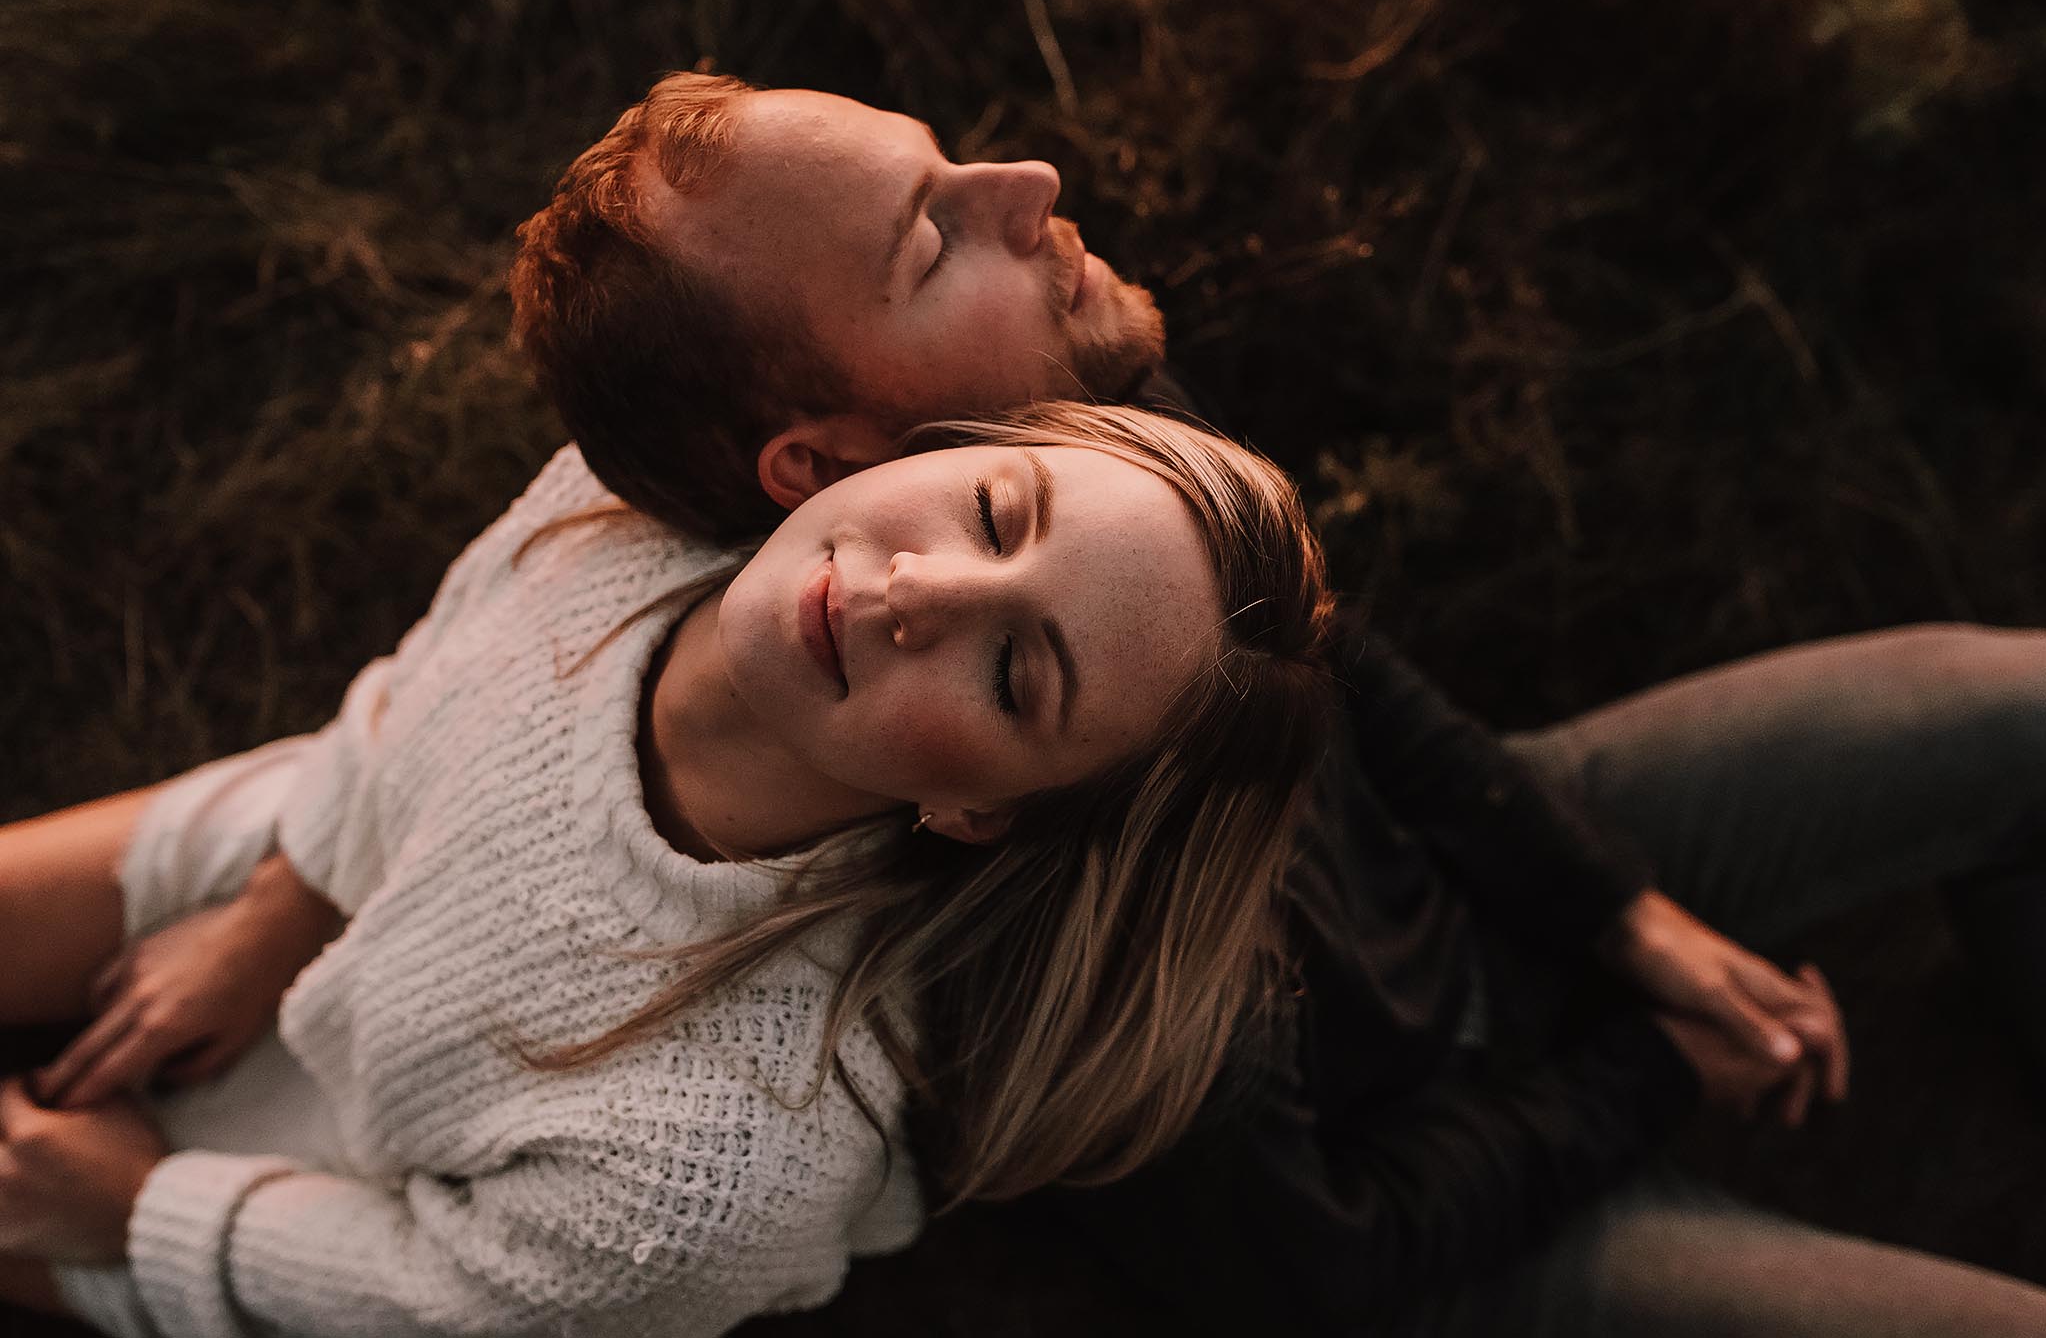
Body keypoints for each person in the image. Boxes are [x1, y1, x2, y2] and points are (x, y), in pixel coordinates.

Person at [13, 69, 2046, 1335]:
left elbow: (1367, 688)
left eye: (1021, 645)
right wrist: (1647, 1066)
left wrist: (1618, 918)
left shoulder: (1114, 523)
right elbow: (1338, 1272)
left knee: (2042, 713)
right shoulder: (1099, 920)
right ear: (825, 458)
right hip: (1409, 1174)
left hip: (1466, 940)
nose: (920, 594)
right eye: (938, 244)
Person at [0, 399, 1338, 1337]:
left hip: (318, 1195)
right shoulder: (632, 502)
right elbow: (431, 672)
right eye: (995, 512)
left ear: (976, 809)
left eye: (1011, 671)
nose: (920, 590)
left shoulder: (726, 1156)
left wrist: (139, 1212)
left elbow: (447, 1301)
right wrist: (274, 911)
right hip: (324, 843)